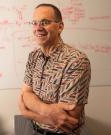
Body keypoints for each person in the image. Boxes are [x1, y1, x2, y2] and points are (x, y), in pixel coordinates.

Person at [18, 3, 91, 135]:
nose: (38, 28)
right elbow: (25, 94)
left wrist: (28, 113)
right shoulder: (33, 56)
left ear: (60, 26)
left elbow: (69, 118)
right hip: (34, 130)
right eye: (35, 23)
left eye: (45, 22)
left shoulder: (76, 60)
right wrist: (48, 110)